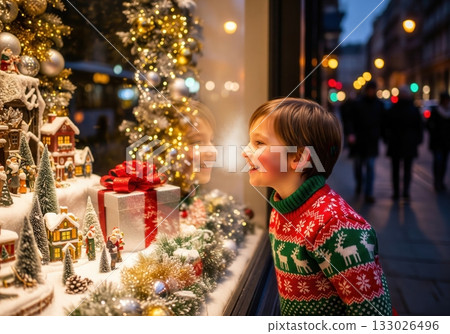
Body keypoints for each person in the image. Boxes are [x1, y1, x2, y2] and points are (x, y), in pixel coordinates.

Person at [242, 98, 392, 316]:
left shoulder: (336, 225)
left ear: (299, 158)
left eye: (259, 143)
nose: (245, 151)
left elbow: (374, 315)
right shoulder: (281, 209)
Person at [344, 81, 385, 203]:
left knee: (370, 166)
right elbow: (350, 120)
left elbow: (383, 122)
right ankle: (360, 183)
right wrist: (351, 134)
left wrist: (381, 134)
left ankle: (369, 192)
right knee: (358, 165)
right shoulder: (358, 104)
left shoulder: (378, 105)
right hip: (359, 141)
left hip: (371, 141)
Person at [383, 87, 423, 200]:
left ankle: (399, 191)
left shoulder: (394, 109)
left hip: (398, 143)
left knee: (398, 169)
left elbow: (386, 125)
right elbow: (419, 126)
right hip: (405, 143)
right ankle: (403, 191)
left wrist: (387, 138)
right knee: (405, 169)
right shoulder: (412, 109)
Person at [426, 92, 450, 192]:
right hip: (437, 142)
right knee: (438, 162)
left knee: (444, 162)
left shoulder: (448, 112)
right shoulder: (436, 111)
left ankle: (441, 181)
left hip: (446, 143)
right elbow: (429, 125)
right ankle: (437, 181)